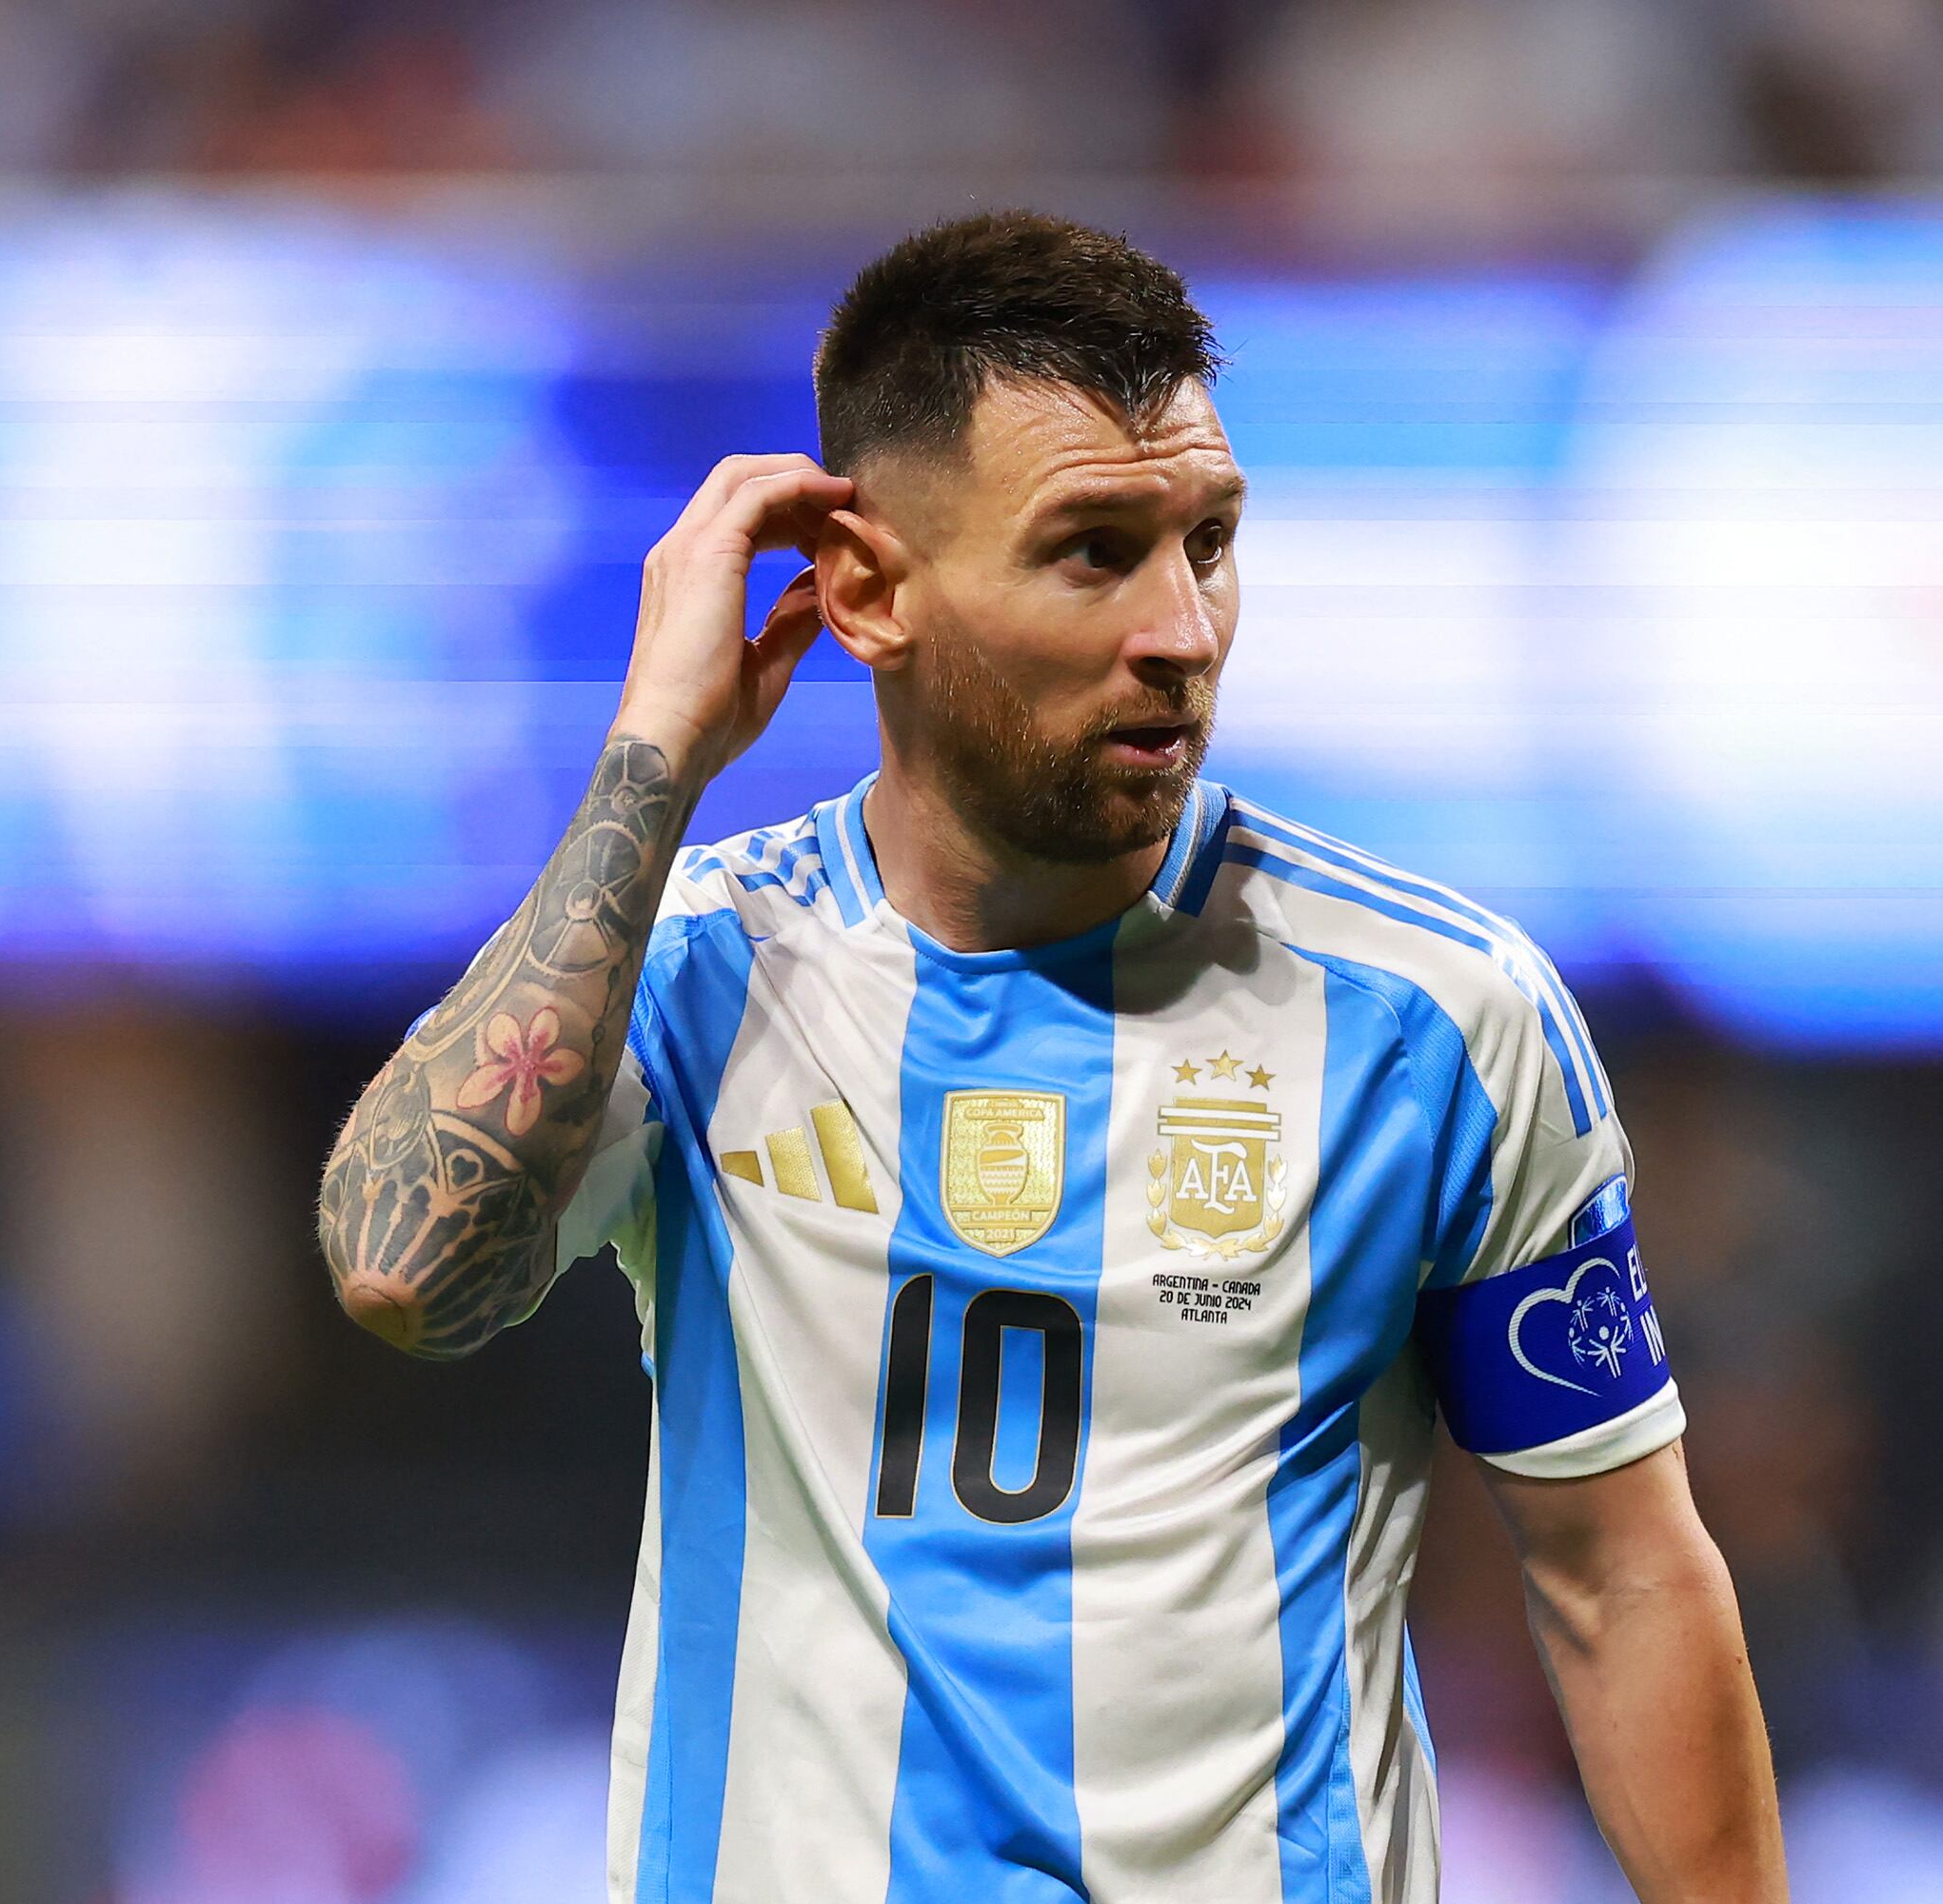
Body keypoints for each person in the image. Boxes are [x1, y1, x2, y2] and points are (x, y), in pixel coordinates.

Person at [317, 208, 1786, 1904]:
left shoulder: (1439, 1020)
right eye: (1095, 551)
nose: (1185, 628)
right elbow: (402, 1268)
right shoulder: (703, 971)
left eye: (1210, 540)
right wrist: (654, 750)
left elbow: (1622, 1580)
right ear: (867, 591)